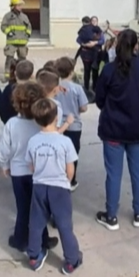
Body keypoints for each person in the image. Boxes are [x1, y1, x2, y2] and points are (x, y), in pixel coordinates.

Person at [94, 29, 139, 231]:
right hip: (138, 128)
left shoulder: (110, 70)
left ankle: (111, 216)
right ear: (137, 45)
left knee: (113, 174)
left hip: (113, 129)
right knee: (138, 173)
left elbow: (99, 99)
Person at [0, 82, 58, 253]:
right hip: (39, 172)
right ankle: (44, 239)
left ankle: (20, 239)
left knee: (23, 207)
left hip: (18, 172)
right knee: (40, 207)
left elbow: (5, 147)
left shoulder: (11, 123)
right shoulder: (43, 123)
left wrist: (4, 164)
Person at [25, 98, 82, 274]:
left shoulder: (33, 141)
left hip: (40, 186)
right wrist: (66, 180)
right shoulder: (65, 142)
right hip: (59, 188)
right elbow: (70, 169)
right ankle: (72, 260)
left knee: (36, 222)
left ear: (36, 120)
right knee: (64, 224)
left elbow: (31, 166)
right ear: (57, 117)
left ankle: (34, 256)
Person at [55, 57, 89, 191]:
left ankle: (59, 175)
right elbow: (84, 107)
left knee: (59, 152)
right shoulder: (77, 88)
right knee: (73, 153)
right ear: (72, 72)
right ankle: (71, 179)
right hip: (74, 125)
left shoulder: (55, 87)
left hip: (57, 124)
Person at [1, 0, 32, 79]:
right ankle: (7, 76)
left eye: (21, 5)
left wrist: (27, 35)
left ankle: (23, 75)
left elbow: (29, 27)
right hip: (12, 42)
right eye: (19, 5)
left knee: (23, 59)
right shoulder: (7, 16)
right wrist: (9, 32)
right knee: (9, 59)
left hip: (22, 42)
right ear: (13, 6)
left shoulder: (24, 16)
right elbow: (3, 26)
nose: (21, 7)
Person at [0, 60, 33, 125]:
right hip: (31, 124)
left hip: (12, 124)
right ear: (31, 75)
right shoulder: (34, 90)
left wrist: (7, 122)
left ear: (15, 73)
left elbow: (2, 108)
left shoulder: (9, 89)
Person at [76, 16, 104, 91]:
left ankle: (94, 87)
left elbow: (102, 41)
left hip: (96, 54)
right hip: (86, 55)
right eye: (93, 21)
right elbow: (78, 39)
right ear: (91, 22)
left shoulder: (99, 31)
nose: (94, 22)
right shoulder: (86, 29)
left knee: (95, 72)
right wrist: (84, 44)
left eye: (96, 21)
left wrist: (95, 43)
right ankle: (86, 87)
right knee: (86, 71)